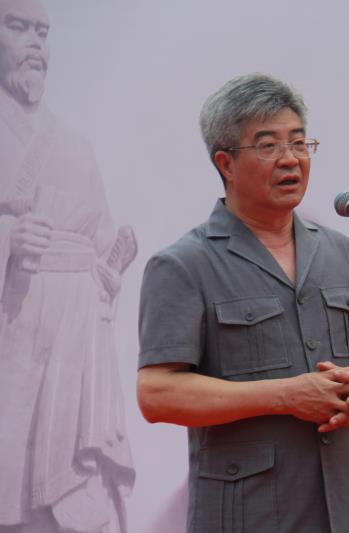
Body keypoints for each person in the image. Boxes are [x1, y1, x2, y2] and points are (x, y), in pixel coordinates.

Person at [137, 74, 349, 533]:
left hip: (348, 510)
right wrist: (285, 396)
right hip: (250, 513)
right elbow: (157, 393)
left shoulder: (343, 253)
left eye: (299, 143)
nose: (290, 159)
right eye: (268, 146)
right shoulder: (183, 265)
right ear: (226, 163)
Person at [0, 0, 137, 531]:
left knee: (74, 499)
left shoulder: (75, 146)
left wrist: (109, 266)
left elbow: (99, 240)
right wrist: (8, 238)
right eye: (18, 28)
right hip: (14, 333)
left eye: (42, 32)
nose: (35, 43)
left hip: (75, 343)